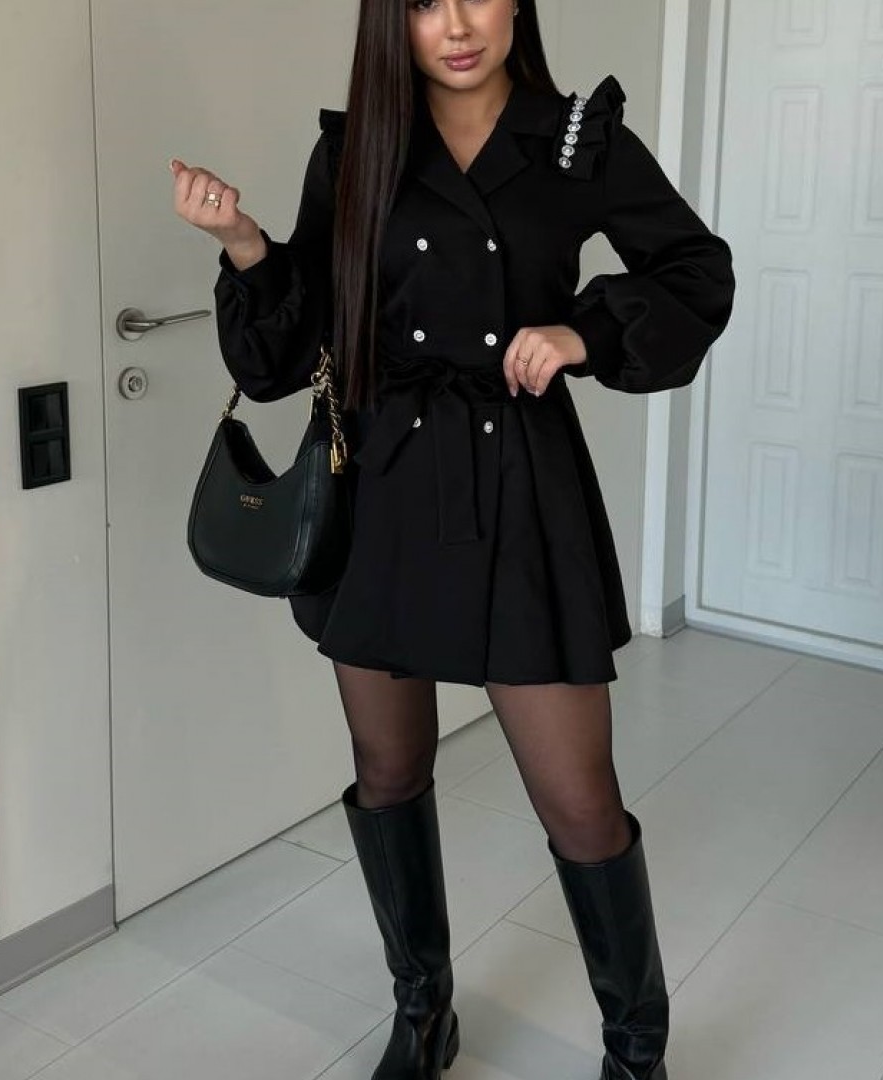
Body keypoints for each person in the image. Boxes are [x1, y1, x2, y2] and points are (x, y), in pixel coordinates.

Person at [171, 1, 735, 1077]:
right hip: (383, 489)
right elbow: (286, 353)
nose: (459, 23)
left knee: (580, 803)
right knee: (387, 772)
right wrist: (244, 244)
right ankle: (423, 1011)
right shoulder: (358, 149)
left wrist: (584, 331)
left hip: (521, 484)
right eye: (426, 1)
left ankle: (636, 1051)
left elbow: (696, 273)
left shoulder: (576, 140)